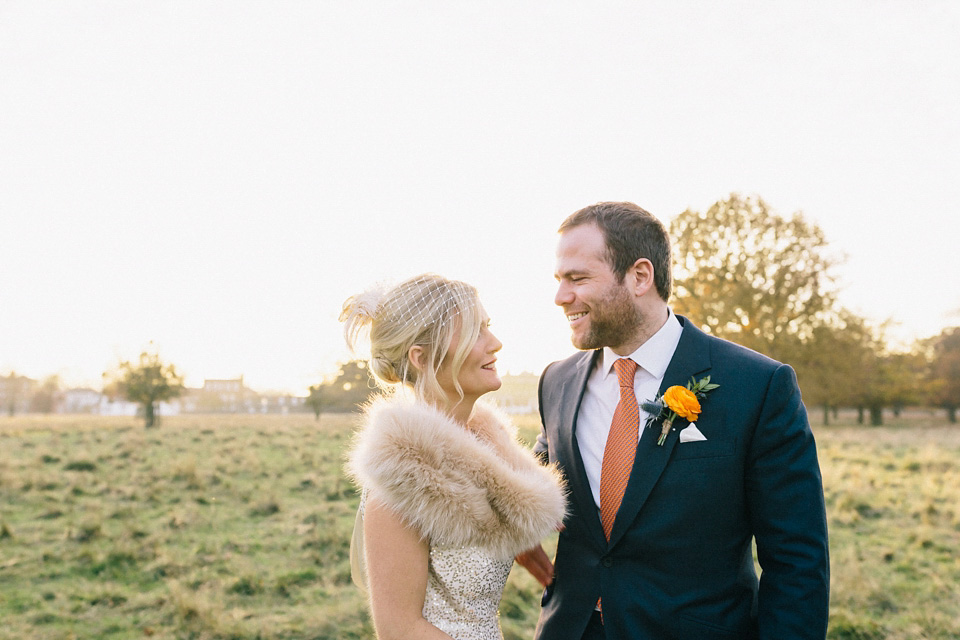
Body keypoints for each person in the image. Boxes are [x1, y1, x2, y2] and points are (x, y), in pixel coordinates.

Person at [516, 202, 830, 639]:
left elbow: (797, 560)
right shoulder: (556, 381)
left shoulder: (757, 386)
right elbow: (538, 478)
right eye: (559, 280)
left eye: (578, 278)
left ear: (640, 276)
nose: (560, 296)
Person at [342, 273, 566, 640]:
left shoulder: (486, 455)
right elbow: (400, 630)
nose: (495, 343)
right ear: (422, 357)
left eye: (488, 327)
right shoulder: (402, 477)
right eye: (476, 332)